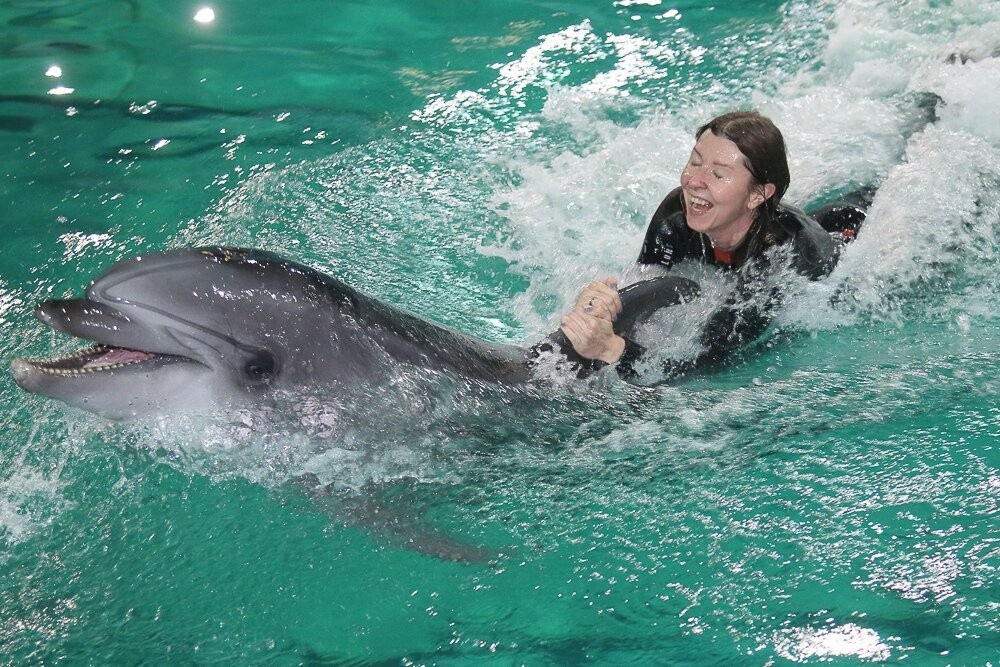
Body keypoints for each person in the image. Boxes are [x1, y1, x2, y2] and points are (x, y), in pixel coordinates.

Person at [555, 110, 851, 382]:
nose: (694, 181)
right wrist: (600, 309)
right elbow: (643, 293)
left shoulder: (780, 256)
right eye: (695, 162)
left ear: (757, 194)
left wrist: (611, 349)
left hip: (849, 239)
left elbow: (707, 362)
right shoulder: (676, 215)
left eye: (718, 174)